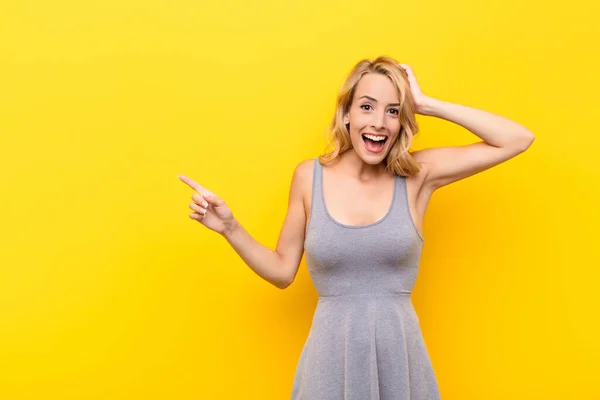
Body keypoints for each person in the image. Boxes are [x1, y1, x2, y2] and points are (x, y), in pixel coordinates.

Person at [179, 56, 535, 399]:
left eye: (393, 110)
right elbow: (282, 271)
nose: (379, 121)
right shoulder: (308, 177)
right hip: (329, 365)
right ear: (346, 114)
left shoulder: (416, 175)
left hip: (401, 361)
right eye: (367, 106)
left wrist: (427, 104)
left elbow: (517, 139)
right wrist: (230, 227)